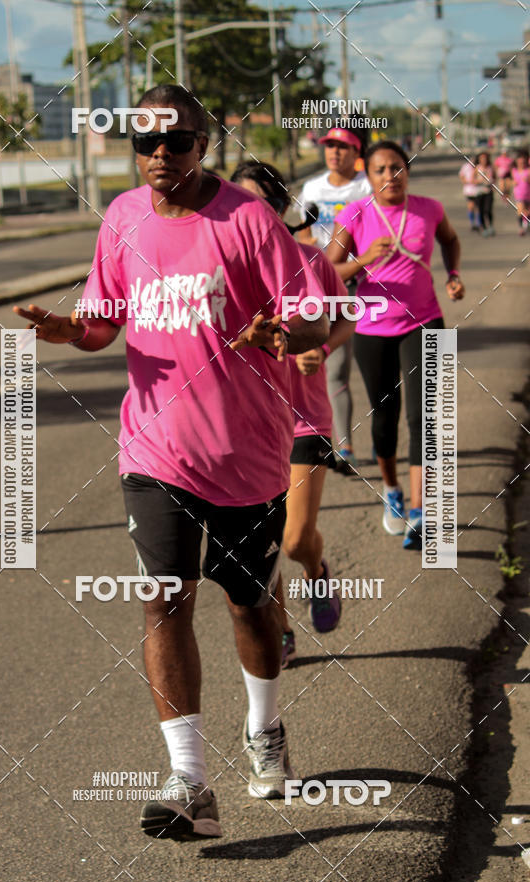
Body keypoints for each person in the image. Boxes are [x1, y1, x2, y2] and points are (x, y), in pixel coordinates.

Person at [14, 85, 330, 840]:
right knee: (163, 599)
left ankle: (265, 728)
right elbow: (104, 323)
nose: (161, 156)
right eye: (145, 143)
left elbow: (314, 311)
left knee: (248, 603)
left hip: (246, 453)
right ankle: (189, 780)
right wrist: (68, 331)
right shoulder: (122, 218)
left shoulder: (248, 221)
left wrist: (285, 330)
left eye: (177, 142)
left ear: (204, 144)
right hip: (153, 449)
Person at [230, 161, 355, 668]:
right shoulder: (224, 271)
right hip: (246, 423)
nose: (244, 211)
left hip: (304, 416)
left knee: (295, 536)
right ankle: (279, 627)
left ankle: (318, 569)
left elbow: (344, 319)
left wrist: (320, 350)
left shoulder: (310, 262)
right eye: (236, 201)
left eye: (257, 201)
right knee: (262, 543)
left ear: (279, 210)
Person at [327, 140, 465, 550]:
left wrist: (453, 273)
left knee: (426, 418)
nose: (391, 176)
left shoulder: (430, 208)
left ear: (408, 170)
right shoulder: (355, 214)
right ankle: (392, 491)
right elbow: (329, 271)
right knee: (385, 420)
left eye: (398, 167)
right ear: (366, 175)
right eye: (381, 170)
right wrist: (365, 257)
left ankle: (421, 512)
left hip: (426, 322)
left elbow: (450, 240)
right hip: (372, 329)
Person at [297, 127, 371, 473]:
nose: (334, 153)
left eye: (342, 147)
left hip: (353, 285)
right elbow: (305, 232)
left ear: (355, 151)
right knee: (311, 367)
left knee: (338, 368)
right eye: (329, 146)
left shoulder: (367, 187)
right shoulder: (312, 188)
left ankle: (345, 446)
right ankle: (315, 440)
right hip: (315, 286)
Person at [473, 152, 495, 236]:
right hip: (479, 192)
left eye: (485, 158)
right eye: (482, 158)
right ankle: (484, 228)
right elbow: (472, 180)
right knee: (481, 211)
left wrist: (492, 182)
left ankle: (491, 225)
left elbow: (495, 177)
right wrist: (478, 181)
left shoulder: (490, 167)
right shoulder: (477, 168)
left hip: (488, 192)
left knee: (488, 210)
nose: (484, 160)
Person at [458, 158, 481, 231]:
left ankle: (479, 223)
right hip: (469, 190)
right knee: (471, 206)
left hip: (478, 190)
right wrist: (465, 181)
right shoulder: (466, 166)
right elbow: (461, 176)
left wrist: (478, 181)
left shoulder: (479, 167)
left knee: (478, 207)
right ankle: (472, 223)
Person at [512, 149, 530, 236]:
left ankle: (525, 225)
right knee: (520, 211)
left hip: (528, 194)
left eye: (523, 162)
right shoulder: (514, 171)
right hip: (519, 194)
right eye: (520, 162)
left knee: (527, 212)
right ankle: (522, 228)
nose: (521, 164)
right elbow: (509, 181)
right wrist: (513, 183)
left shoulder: (528, 170)